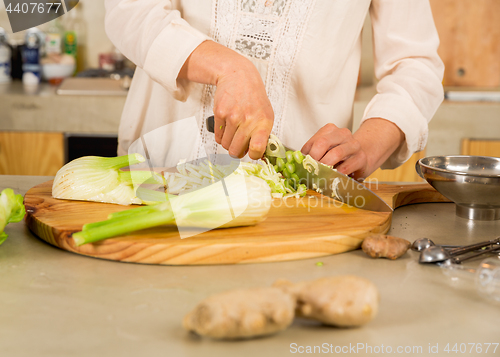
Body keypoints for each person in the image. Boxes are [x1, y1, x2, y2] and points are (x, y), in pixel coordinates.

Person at [105, 0, 444, 179]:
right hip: (161, 177)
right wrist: (230, 68)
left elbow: (415, 63)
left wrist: (369, 146)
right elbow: (129, 10)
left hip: (299, 197)